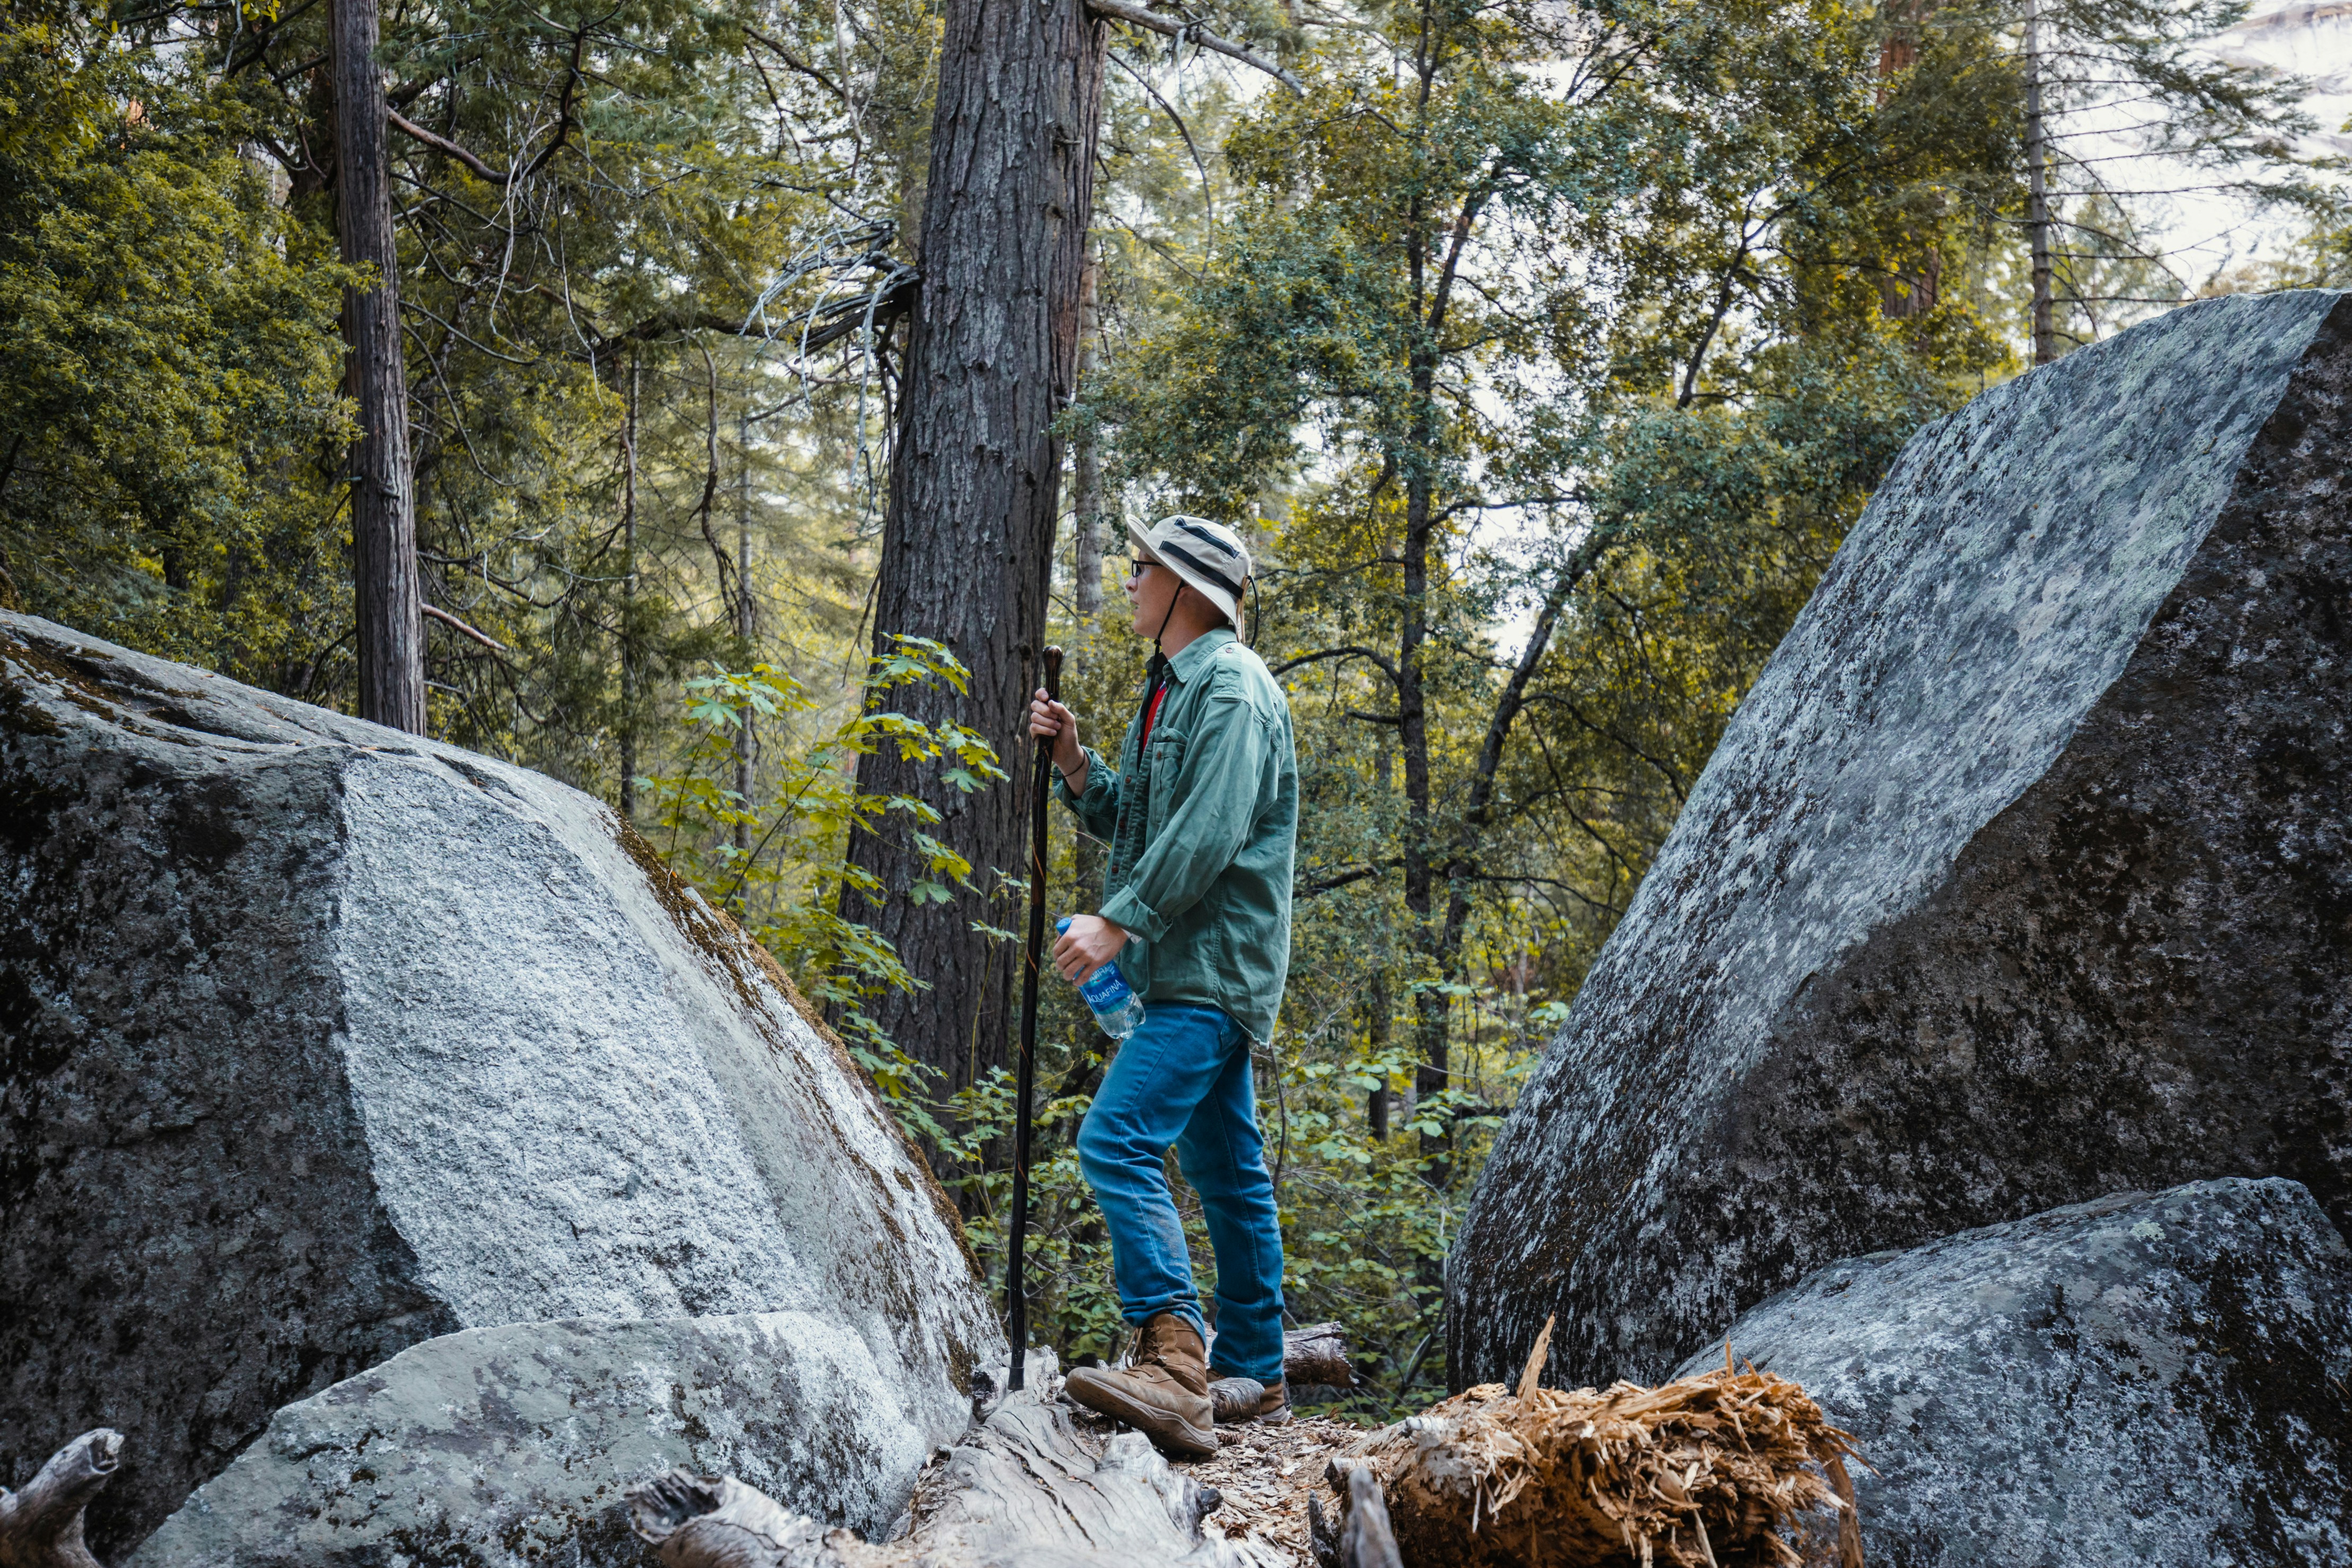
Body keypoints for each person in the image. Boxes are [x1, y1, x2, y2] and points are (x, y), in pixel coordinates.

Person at [1026, 513, 1299, 1457]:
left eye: (1143, 567)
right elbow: (1140, 820)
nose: (1131, 578)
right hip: (1184, 966)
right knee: (1227, 1169)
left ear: (1187, 588)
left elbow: (1213, 829)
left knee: (1115, 1137)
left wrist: (1119, 919)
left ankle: (1179, 1367)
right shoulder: (1170, 689)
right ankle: (1257, 1372)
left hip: (1209, 967)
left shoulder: (1232, 688)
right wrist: (1073, 760)